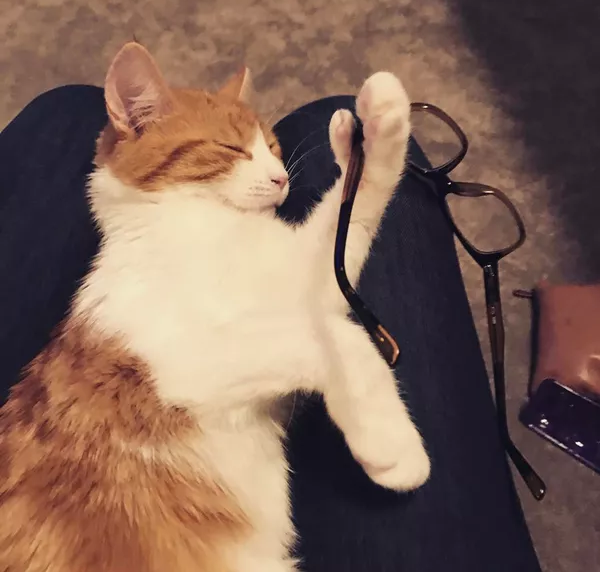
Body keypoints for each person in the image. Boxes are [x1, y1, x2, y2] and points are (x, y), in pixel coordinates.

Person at [0, 85, 542, 571]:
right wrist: (342, 361)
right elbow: (183, 377)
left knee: (62, 111)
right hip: (130, 533)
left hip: (206, 536)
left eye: (271, 150)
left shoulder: (225, 235)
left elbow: (313, 292)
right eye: (235, 150)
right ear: (138, 126)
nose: (280, 174)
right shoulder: (138, 251)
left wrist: (370, 180)